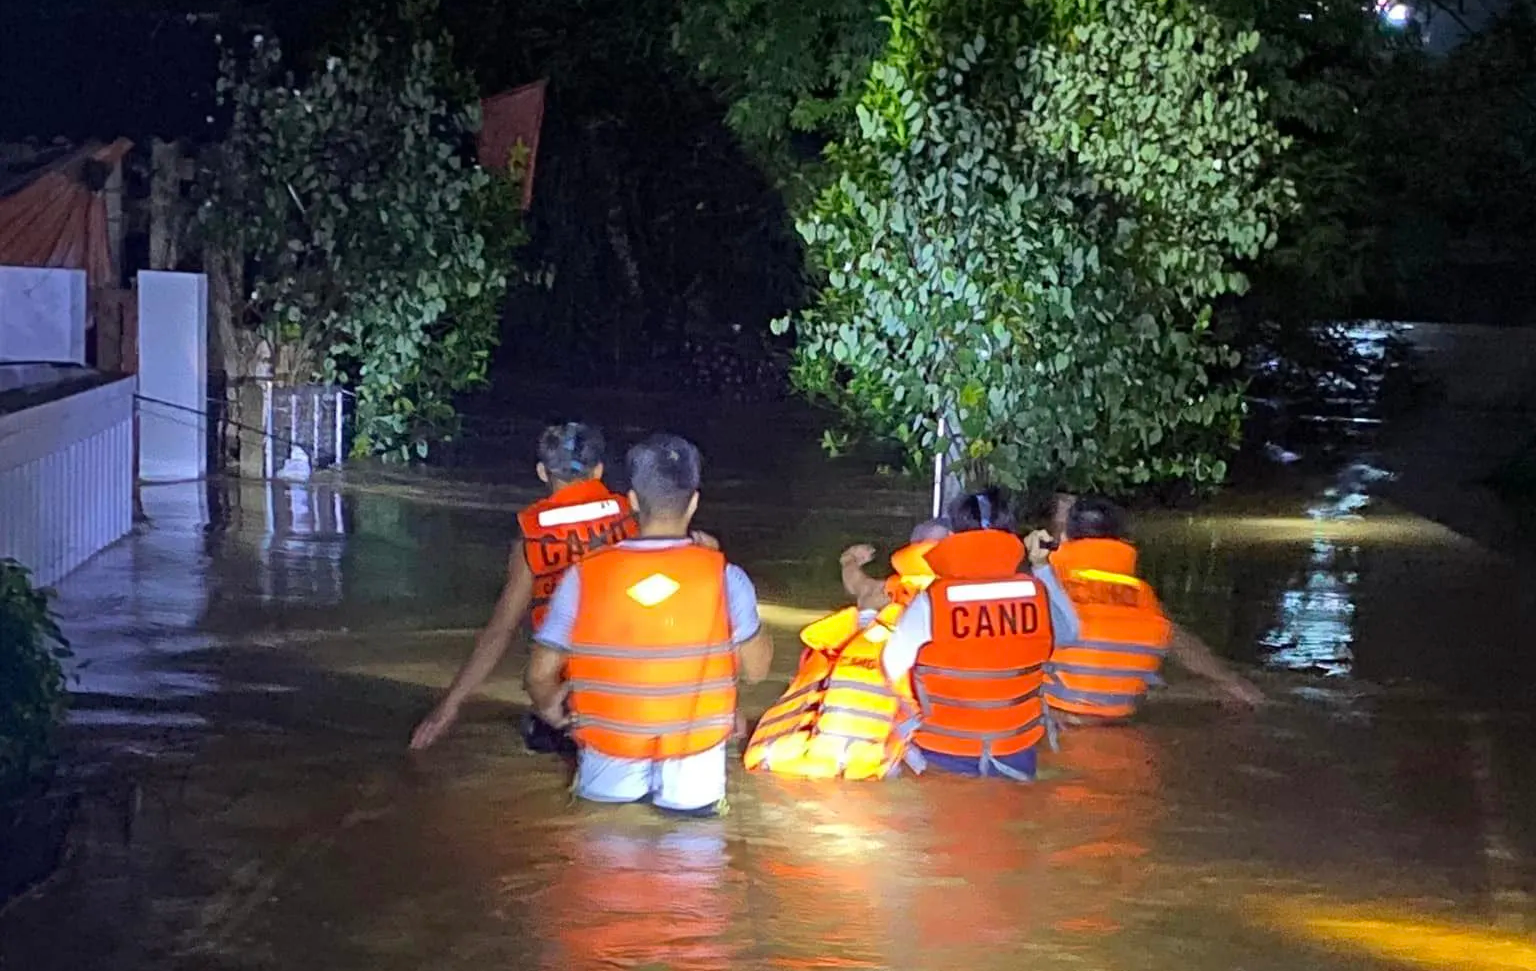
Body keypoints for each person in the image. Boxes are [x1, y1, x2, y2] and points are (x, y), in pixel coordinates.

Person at [526, 434, 774, 816]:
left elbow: (539, 675)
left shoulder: (584, 575)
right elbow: (757, 670)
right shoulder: (725, 577)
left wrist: (554, 711)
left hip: (609, 756)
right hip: (695, 766)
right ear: (693, 501)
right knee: (691, 863)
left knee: (606, 864)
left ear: (633, 501)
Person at [409, 422, 638, 752]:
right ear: (599, 471)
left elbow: (500, 631)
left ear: (543, 472)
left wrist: (448, 707)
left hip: (568, 696)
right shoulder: (633, 518)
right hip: (637, 686)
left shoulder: (532, 537)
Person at [1025, 495, 1264, 724]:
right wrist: (1231, 682)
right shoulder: (1142, 595)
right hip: (1118, 721)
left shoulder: (1046, 584)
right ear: (1123, 541)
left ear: (1065, 537)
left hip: (1054, 719)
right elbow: (1181, 644)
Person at [743, 519, 949, 780]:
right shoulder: (944, 600)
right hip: (878, 744)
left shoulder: (878, 591)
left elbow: (854, 582)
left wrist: (849, 560)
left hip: (820, 727)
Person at [881, 489, 1055, 781]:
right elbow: (1060, 644)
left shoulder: (933, 600)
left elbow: (891, 665)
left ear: (955, 534)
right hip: (1017, 753)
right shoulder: (1036, 593)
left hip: (944, 753)